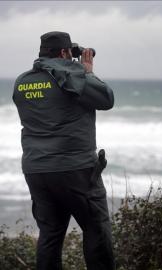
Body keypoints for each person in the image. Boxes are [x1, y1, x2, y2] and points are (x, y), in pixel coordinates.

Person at [12, 31, 115, 270]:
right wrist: (87, 71)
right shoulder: (74, 75)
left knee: (50, 234)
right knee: (96, 229)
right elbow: (106, 99)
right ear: (64, 52)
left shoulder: (22, 81)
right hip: (75, 169)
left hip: (37, 170)